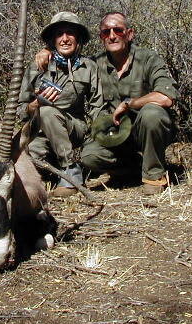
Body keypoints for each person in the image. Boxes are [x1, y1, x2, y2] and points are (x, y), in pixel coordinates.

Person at [36, 11, 179, 195]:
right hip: (115, 134)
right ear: (101, 37)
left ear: (130, 34)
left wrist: (130, 104)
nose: (112, 36)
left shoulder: (148, 59)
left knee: (151, 113)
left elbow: (166, 97)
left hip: (146, 130)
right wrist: (48, 52)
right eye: (106, 32)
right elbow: (71, 61)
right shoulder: (94, 64)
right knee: (89, 157)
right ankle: (133, 167)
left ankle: (154, 175)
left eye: (118, 30)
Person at [18, 12, 103, 197]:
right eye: (59, 34)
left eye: (70, 33)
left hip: (74, 128)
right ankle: (56, 171)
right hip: (41, 134)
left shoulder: (89, 66)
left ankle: (71, 171)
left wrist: (99, 136)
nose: (65, 39)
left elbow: (97, 106)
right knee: (28, 163)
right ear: (52, 40)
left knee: (48, 112)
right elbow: (20, 110)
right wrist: (33, 106)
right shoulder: (37, 66)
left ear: (78, 38)